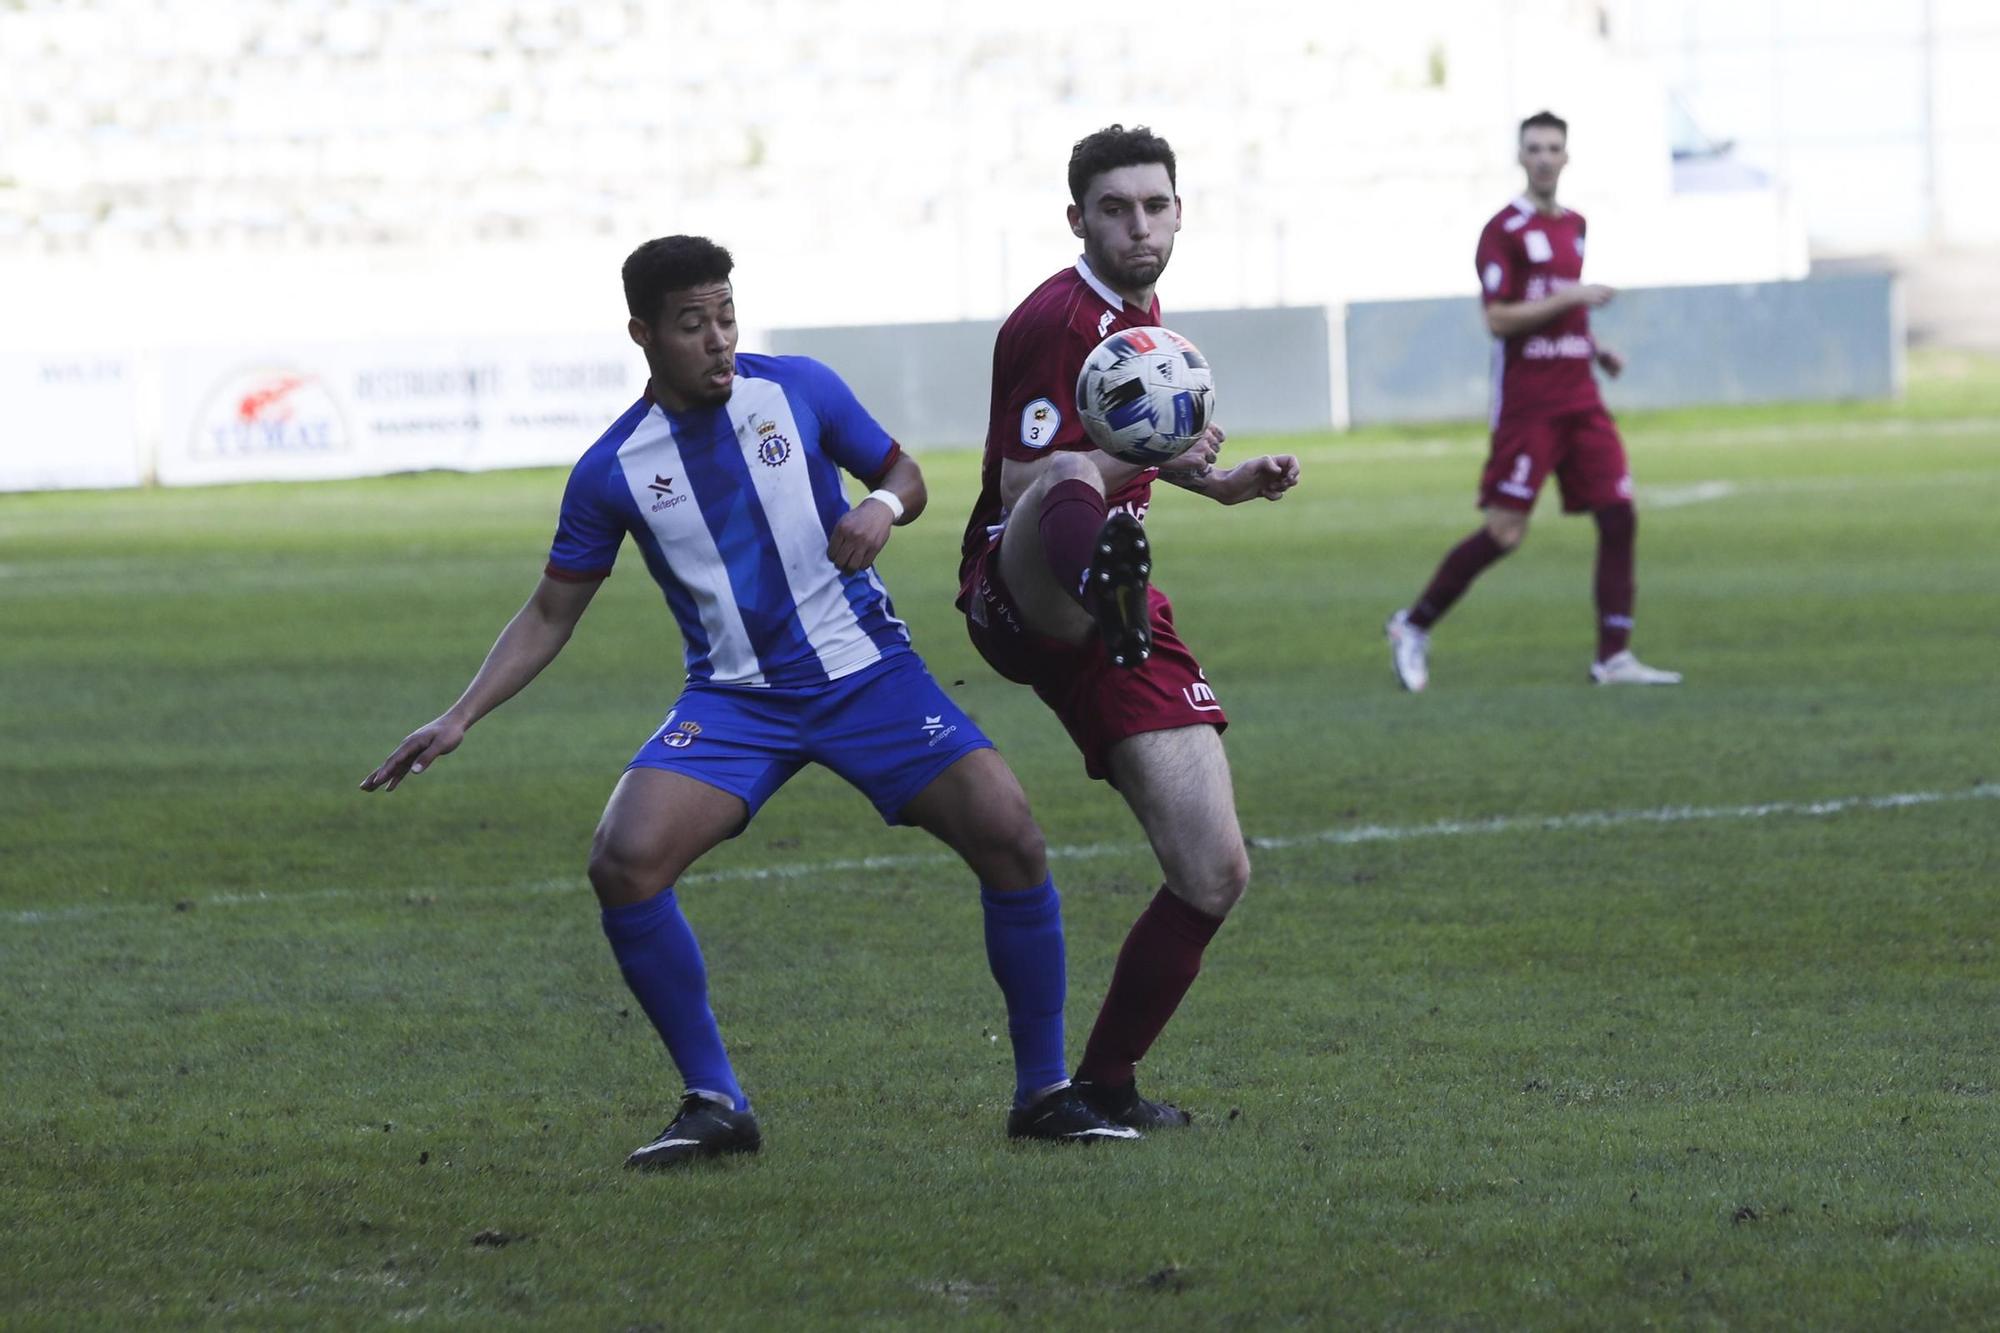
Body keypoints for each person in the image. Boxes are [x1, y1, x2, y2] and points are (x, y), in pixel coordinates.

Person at [361, 235, 1139, 1166]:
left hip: (867, 674)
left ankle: (1044, 1091)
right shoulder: (612, 469)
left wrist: (879, 511)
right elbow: (550, 611)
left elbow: (907, 477)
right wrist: (459, 714)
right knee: (624, 859)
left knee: (1010, 830)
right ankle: (715, 1100)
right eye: (693, 324)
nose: (719, 339)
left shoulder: (800, 388)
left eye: (726, 315)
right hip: (737, 700)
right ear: (643, 334)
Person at [957, 125, 1302, 1129]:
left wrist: (1226, 482)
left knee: (1212, 870)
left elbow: (1143, 440)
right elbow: (1034, 477)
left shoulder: (1143, 317)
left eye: (1154, 205)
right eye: (1114, 208)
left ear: (1179, 213)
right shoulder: (1053, 321)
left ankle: (1099, 1088)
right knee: (1069, 476)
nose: (1137, 224)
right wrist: (1139, 467)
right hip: (1020, 591)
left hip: (1117, 611)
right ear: (1077, 219)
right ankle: (1102, 597)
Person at [1386, 109, 1681, 691]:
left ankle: (1613, 657)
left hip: (1582, 398)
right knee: (1504, 533)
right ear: (1521, 157)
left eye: (1554, 148)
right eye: (1534, 148)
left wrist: (1595, 347)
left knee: (1620, 515)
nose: (1544, 157)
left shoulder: (1576, 225)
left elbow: (1557, 309)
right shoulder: (1503, 230)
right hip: (1530, 407)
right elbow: (1499, 319)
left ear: (1566, 157)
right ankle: (1412, 625)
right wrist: (1572, 297)